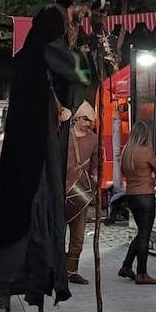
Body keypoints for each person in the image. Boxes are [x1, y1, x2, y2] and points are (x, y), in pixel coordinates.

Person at [0, 0, 97, 312]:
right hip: (34, 153)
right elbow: (82, 73)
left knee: (45, 226)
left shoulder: (49, 40)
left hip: (42, 147)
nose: (85, 15)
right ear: (70, 6)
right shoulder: (49, 37)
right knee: (29, 223)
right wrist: (91, 52)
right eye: (82, 9)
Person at [117, 121, 156, 284]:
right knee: (145, 234)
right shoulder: (146, 152)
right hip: (146, 195)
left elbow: (124, 171)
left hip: (131, 195)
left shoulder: (126, 151)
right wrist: (153, 176)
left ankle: (126, 265)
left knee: (141, 232)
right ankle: (142, 273)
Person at [65, 101, 99, 285]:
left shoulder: (94, 139)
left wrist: (94, 178)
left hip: (81, 191)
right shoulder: (65, 136)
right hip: (62, 190)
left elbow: (96, 164)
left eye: (91, 122)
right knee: (57, 233)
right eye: (86, 120)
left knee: (78, 234)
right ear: (78, 118)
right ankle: (55, 267)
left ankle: (71, 270)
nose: (89, 124)